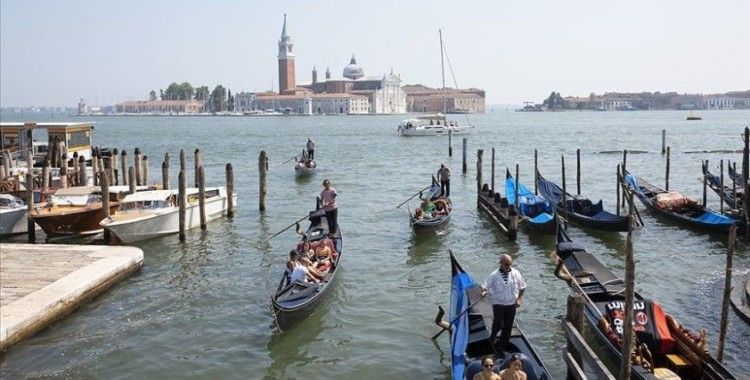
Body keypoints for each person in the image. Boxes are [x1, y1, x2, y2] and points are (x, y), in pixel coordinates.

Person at [482, 254, 526, 357]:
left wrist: (519, 299)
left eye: (510, 263)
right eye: (506, 264)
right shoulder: (494, 275)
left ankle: (500, 349)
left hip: (511, 304)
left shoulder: (516, 273)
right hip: (498, 304)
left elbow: (523, 287)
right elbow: (485, 285)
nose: (508, 265)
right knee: (498, 324)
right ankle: (492, 338)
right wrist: (484, 291)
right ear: (501, 263)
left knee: (508, 328)